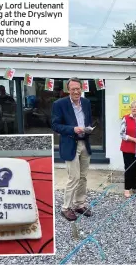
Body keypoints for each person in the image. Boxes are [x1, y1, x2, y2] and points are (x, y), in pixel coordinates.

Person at [51, 77, 93, 221]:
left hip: (84, 143)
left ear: (81, 88)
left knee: (83, 177)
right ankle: (65, 208)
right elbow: (55, 125)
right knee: (73, 177)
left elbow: (89, 120)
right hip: (70, 144)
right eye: (73, 89)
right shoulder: (59, 104)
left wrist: (88, 128)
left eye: (78, 88)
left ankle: (79, 204)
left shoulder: (86, 103)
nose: (76, 91)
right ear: (68, 90)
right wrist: (72, 129)